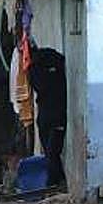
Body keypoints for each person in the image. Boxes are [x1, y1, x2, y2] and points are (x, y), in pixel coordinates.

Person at [27, 46, 67, 188]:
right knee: (51, 153)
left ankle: (55, 183)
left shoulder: (38, 69)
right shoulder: (52, 67)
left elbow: (39, 86)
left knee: (51, 152)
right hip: (49, 115)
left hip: (52, 115)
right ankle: (57, 182)